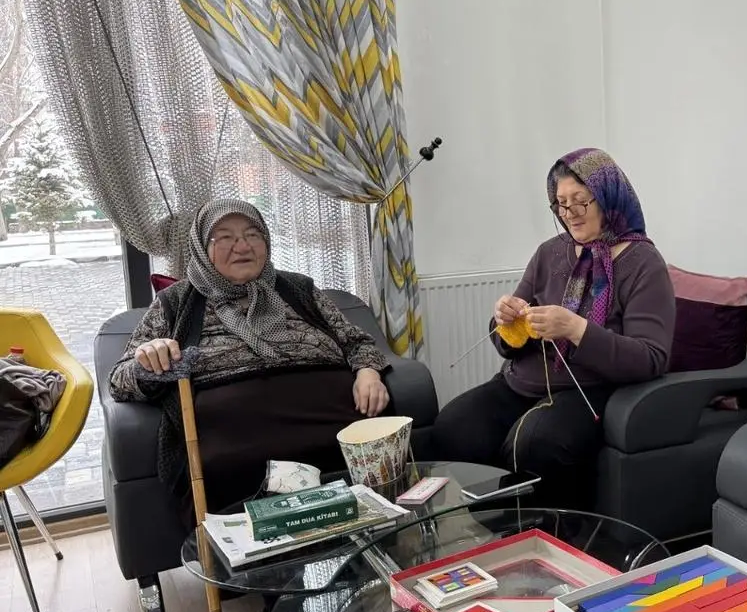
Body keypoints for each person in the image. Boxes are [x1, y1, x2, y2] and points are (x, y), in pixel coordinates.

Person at [109, 198, 393, 520]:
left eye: (252, 234)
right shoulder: (175, 302)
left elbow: (356, 341)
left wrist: (368, 373)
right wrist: (147, 358)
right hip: (236, 433)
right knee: (227, 466)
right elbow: (120, 381)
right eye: (225, 237)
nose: (242, 246)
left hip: (332, 415)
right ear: (201, 247)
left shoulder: (299, 289)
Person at [429, 148, 676, 505]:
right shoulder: (549, 252)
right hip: (519, 382)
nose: (569, 214)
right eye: (561, 203)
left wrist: (576, 329)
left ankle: (550, 532)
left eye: (581, 201)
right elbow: (506, 340)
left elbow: (651, 357)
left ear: (608, 195)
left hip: (589, 390)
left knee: (533, 443)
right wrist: (505, 319)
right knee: (454, 426)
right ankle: (494, 523)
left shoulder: (643, 262)